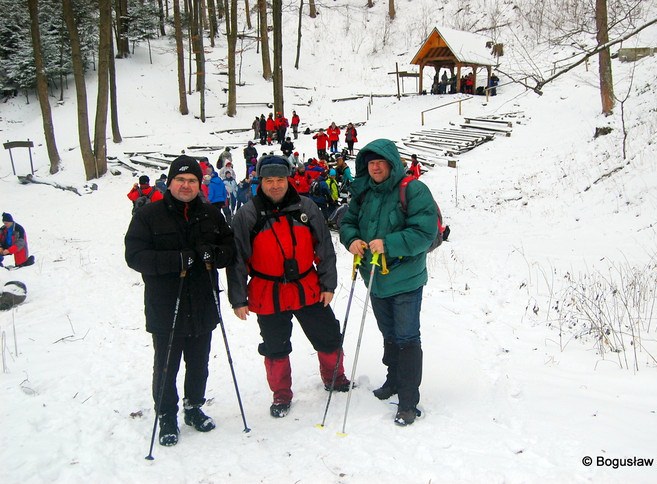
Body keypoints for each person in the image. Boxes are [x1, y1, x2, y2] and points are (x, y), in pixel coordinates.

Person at [226, 156, 350, 418]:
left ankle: (335, 378)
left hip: (307, 286)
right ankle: (281, 394)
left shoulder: (306, 206)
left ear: (288, 179)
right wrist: (238, 298)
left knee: (328, 335)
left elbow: (325, 247)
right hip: (267, 291)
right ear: (260, 181)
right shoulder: (247, 214)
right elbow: (237, 259)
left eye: (279, 179)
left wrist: (328, 283)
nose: (274, 186)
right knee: (275, 346)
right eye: (268, 180)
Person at [124, 155, 235, 446]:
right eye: (181, 180)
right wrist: (176, 260)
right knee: (166, 365)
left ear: (200, 184)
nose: (186, 185)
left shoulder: (211, 214)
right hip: (166, 306)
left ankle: (193, 407)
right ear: (170, 182)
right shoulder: (149, 215)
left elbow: (229, 247)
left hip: (203, 303)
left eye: (192, 181)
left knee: (198, 363)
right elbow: (134, 256)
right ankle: (166, 415)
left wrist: (214, 254)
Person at [338, 139, 438, 426]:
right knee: (390, 333)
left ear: (392, 163)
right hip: (376, 278)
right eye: (370, 162)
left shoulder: (413, 189)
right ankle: (393, 379)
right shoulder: (364, 193)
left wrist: (389, 244)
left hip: (405, 278)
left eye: (380, 161)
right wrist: (352, 240)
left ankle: (408, 401)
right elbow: (348, 223)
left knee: (406, 337)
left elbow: (424, 232)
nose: (376, 167)